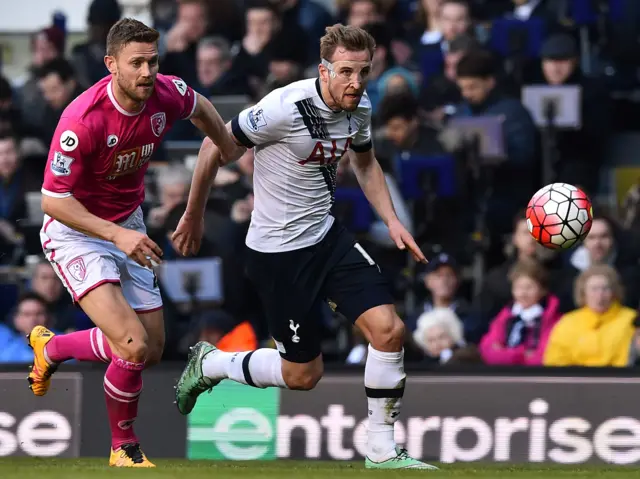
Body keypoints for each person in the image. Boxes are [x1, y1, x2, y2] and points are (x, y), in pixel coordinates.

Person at [172, 24, 436, 470]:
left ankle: (381, 449)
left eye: (364, 72)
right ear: (324, 70)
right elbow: (213, 146)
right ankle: (213, 364)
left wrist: (391, 220)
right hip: (277, 254)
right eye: (346, 72)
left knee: (389, 331)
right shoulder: (283, 107)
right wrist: (193, 212)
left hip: (325, 237)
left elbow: (366, 162)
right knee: (303, 375)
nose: (356, 82)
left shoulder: (360, 106)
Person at [26, 18, 238, 467]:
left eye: (153, 61)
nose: (147, 72)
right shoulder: (81, 119)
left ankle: (53, 347)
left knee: (152, 348)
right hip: (77, 232)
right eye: (136, 63)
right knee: (132, 345)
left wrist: (227, 144)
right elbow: (52, 201)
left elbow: (200, 106)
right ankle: (123, 447)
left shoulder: (165, 92)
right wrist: (117, 235)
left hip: (127, 222)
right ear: (111, 65)